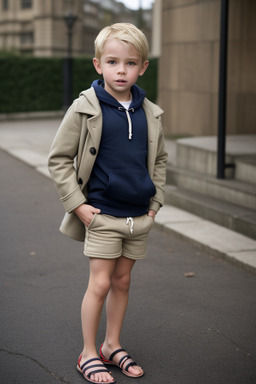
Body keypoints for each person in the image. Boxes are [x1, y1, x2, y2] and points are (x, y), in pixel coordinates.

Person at [48, 22, 167, 384]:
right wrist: (77, 205)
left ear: (143, 67)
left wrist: (155, 202)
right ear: (98, 64)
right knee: (99, 284)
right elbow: (58, 159)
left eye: (130, 63)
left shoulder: (150, 113)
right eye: (113, 61)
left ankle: (111, 345)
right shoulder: (85, 107)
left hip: (137, 216)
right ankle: (87, 352)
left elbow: (159, 160)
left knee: (123, 281)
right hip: (100, 214)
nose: (121, 70)